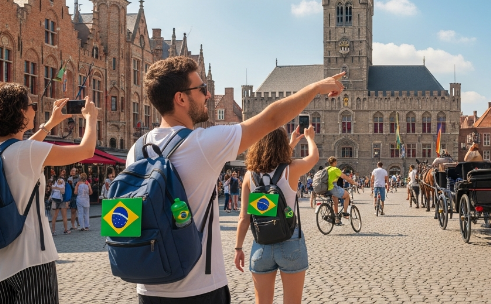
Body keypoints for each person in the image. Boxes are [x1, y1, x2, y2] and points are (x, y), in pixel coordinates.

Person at [130, 56, 344, 303]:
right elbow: (271, 119)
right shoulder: (201, 144)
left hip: (148, 288)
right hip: (198, 288)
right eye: (201, 89)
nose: (208, 95)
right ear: (180, 98)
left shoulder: (138, 149)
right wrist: (317, 87)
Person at [0, 85, 97, 303]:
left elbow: (17, 150)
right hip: (29, 259)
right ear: (20, 112)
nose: (35, 109)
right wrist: (91, 118)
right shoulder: (28, 153)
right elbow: (86, 150)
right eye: (32, 105)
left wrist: (49, 125)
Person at [234, 125, 319, 304]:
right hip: (290, 240)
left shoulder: (250, 176)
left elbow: (244, 218)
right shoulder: (292, 169)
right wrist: (309, 138)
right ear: (281, 146)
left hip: (261, 244)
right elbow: (313, 158)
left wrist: (238, 248)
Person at [324, 157, 356, 224]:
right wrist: (354, 182)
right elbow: (345, 177)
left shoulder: (326, 169)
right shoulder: (335, 169)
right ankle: (345, 212)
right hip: (332, 187)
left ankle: (336, 218)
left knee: (335, 202)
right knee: (347, 196)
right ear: (335, 162)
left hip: (326, 188)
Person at [50, 170, 70, 235]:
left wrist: (56, 188)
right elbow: (63, 191)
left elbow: (52, 188)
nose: (63, 173)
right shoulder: (63, 180)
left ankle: (53, 231)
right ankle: (65, 229)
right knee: (63, 216)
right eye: (62, 172)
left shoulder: (53, 180)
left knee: (55, 216)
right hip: (61, 199)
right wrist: (59, 188)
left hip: (56, 199)